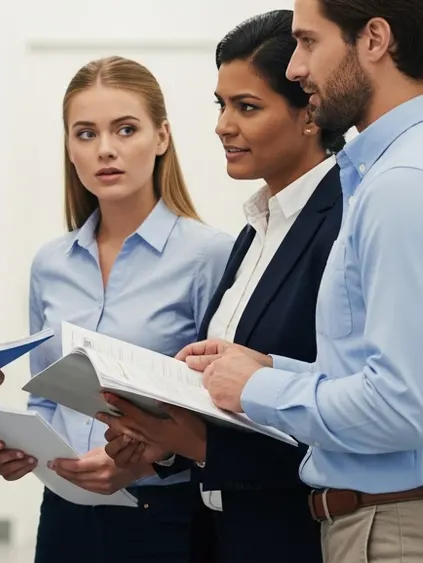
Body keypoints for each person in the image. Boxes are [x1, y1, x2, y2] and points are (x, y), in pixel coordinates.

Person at [96, 10, 347, 563]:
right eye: (221, 104)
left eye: (246, 107)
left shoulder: (343, 222)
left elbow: (343, 410)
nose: (222, 125)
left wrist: (198, 444)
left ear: (309, 112)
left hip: (295, 535)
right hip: (219, 533)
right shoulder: (254, 231)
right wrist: (162, 441)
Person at [178, 0, 423, 561]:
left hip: (389, 522)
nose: (296, 67)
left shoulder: (400, 183)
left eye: (309, 42)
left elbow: (404, 405)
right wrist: (267, 368)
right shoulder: (381, 176)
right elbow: (371, 369)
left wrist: (256, 388)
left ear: (375, 39)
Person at [0, 55, 233, 563]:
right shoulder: (50, 263)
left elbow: (223, 414)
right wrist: (26, 449)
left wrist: (142, 462)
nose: (106, 150)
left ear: (162, 137)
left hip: (166, 517)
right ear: (69, 147)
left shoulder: (210, 256)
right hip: (65, 513)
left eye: (125, 129)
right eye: (86, 134)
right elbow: (46, 396)